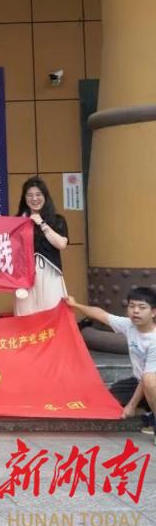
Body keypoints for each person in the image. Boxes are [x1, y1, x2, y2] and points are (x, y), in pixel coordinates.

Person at [68, 289, 156, 440]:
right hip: (140, 381)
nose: (135, 311)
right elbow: (101, 314)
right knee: (108, 400)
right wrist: (76, 305)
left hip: (150, 381)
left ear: (153, 312)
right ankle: (149, 411)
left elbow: (146, 379)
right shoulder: (129, 325)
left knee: (148, 379)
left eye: (142, 307)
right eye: (132, 306)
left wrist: (131, 405)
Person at [14, 176, 69, 316]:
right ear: (24, 198)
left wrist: (42, 224)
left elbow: (61, 244)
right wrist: (22, 223)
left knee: (53, 314)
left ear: (45, 197)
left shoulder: (57, 220)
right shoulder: (17, 221)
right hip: (24, 275)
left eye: (38, 194)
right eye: (30, 195)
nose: (34, 199)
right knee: (25, 316)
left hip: (50, 272)